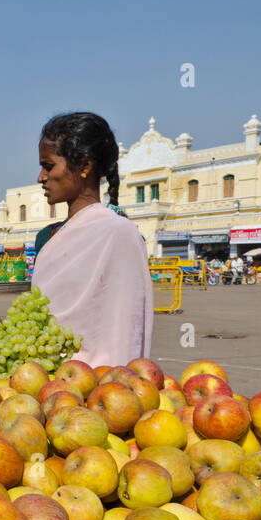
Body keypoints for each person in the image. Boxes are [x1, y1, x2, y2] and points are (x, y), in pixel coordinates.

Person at [32, 112, 153, 367]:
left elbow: (127, 326)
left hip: (100, 384)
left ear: (84, 167)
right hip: (43, 381)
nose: (40, 177)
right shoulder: (46, 237)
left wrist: (119, 390)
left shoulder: (119, 234)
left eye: (49, 166)